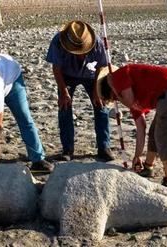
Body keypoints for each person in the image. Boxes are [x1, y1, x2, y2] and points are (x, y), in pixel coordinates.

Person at [96, 64, 167, 193]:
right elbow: (141, 128)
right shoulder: (133, 96)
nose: (116, 100)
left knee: (165, 135)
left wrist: (114, 87)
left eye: (114, 97)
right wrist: (137, 156)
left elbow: (129, 102)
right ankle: (148, 166)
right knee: (155, 131)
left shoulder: (118, 77)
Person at [46, 20, 114, 162]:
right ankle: (67, 149)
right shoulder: (58, 42)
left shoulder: (97, 42)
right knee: (64, 108)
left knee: (101, 107)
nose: (80, 54)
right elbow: (56, 68)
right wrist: (63, 91)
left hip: (91, 75)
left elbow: (101, 67)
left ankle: (104, 147)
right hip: (67, 75)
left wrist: (97, 90)